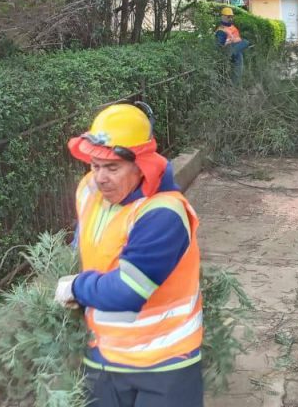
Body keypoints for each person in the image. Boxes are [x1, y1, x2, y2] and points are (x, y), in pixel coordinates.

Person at [55, 102, 204, 407]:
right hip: (104, 356)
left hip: (164, 363)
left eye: (112, 167)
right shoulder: (89, 190)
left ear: (143, 166)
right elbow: (84, 240)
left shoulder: (163, 214)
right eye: (95, 165)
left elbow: (128, 291)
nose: (100, 177)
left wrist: (76, 287)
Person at [215, 6, 248, 82]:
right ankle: (235, 86)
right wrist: (230, 42)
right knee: (238, 67)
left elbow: (237, 38)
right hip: (228, 50)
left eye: (231, 17)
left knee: (238, 68)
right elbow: (220, 45)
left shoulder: (232, 27)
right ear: (223, 17)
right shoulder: (221, 30)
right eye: (228, 17)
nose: (230, 18)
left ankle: (236, 86)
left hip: (235, 49)